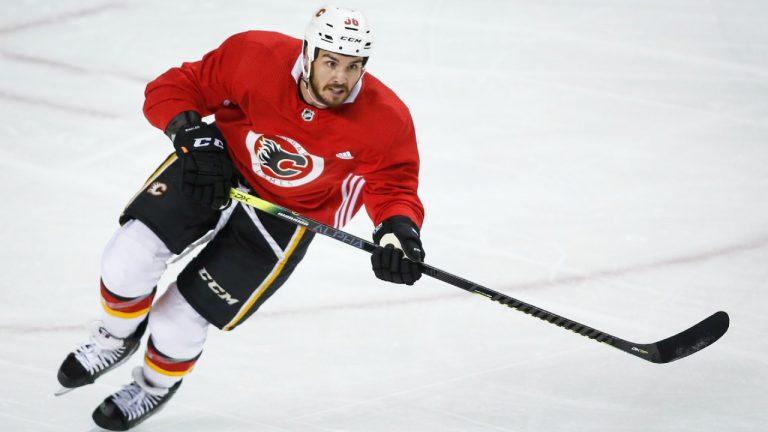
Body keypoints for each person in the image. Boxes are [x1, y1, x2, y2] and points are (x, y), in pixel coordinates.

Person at [55, 4, 426, 430]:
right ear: (307, 53)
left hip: (288, 214)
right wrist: (190, 134)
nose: (341, 78)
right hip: (217, 167)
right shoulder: (255, 55)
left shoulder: (385, 118)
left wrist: (398, 230)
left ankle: (153, 387)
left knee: (178, 320)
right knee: (128, 256)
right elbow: (175, 87)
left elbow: (394, 184)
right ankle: (113, 338)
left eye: (353, 65)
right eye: (330, 62)